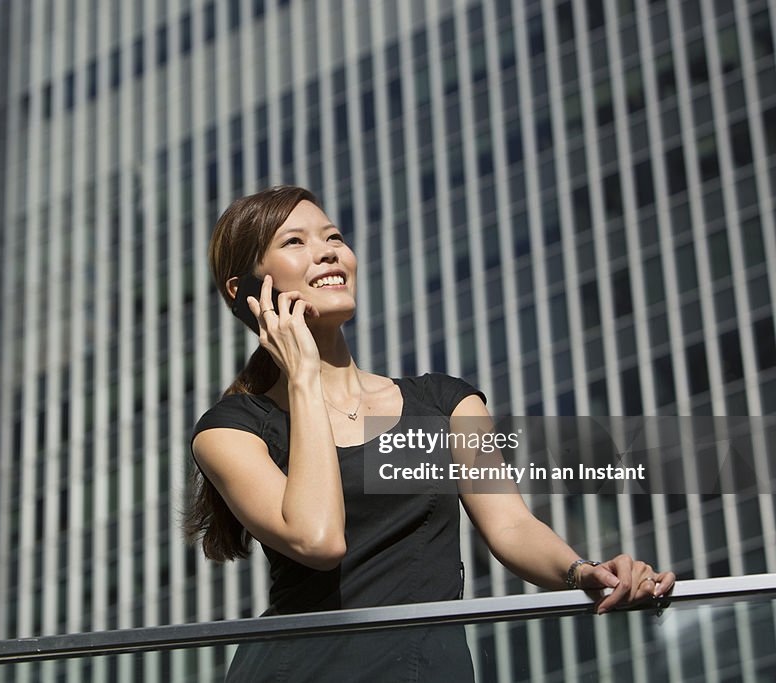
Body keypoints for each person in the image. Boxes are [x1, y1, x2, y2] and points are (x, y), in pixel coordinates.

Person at [185, 186, 675, 681]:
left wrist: (580, 571)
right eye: (295, 242)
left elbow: (510, 525)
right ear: (244, 290)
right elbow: (319, 539)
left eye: (333, 236)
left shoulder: (444, 403)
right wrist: (303, 378)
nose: (328, 250)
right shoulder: (231, 430)